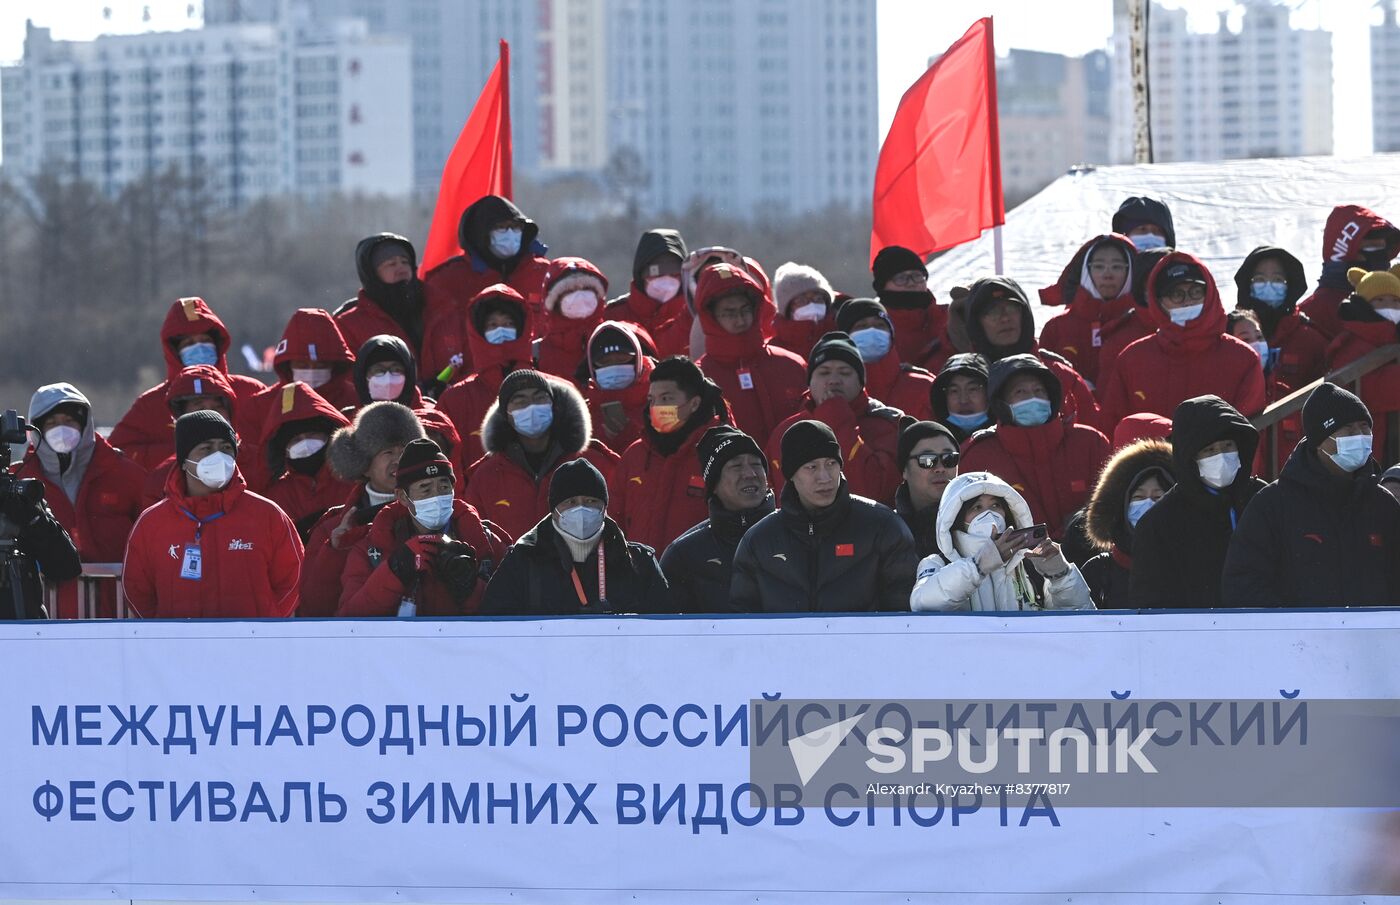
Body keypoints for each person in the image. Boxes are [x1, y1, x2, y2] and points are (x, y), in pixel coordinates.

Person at [1223, 383, 1400, 606]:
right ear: (1320, 441)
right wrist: (1293, 626)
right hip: (1298, 639)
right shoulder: (1273, 504)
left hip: (1371, 640)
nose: (1360, 436)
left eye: (1365, 427)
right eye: (1349, 430)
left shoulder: (1383, 504)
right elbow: (1243, 582)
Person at [122, 410, 303, 618]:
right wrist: (164, 633)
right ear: (183, 460)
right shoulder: (152, 523)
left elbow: (293, 578)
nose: (218, 456)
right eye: (206, 448)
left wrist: (265, 624)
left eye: (226, 448)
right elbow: (137, 590)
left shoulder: (267, 515)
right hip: (178, 647)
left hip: (251, 646)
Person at [730, 420, 917, 612]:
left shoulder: (883, 527)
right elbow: (743, 627)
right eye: (811, 467)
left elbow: (904, 617)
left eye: (831, 464)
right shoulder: (759, 541)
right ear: (791, 474)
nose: (825, 477)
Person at [336, 439, 506, 616]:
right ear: (402, 496)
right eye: (425, 489)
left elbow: (515, 614)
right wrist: (394, 571)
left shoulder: (486, 540)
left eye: (444, 486)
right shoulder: (371, 549)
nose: (437, 496)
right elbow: (350, 620)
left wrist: (472, 589)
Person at [1101, 254, 1266, 434]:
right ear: (1158, 301)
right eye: (1176, 294)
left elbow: (1248, 433)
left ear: (1209, 293)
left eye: (1196, 292)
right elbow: (1114, 428)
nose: (1188, 301)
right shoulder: (1133, 360)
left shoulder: (1242, 358)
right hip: (1153, 461)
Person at [481, 459, 670, 615]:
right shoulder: (523, 561)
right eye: (571, 502)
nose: (581, 509)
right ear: (554, 511)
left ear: (604, 508)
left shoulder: (638, 562)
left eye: (591, 501)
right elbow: (496, 629)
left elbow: (666, 630)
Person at [1129, 395, 1264, 609]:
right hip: (1194, 638)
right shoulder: (1159, 524)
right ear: (1190, 457)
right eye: (1209, 450)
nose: (1220, 456)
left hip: (1269, 633)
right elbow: (1151, 605)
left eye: (1228, 446)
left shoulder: (1263, 502)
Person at [961, 354, 1110, 539]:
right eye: (1020, 392)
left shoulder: (1090, 443)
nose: (1032, 398)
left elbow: (1111, 506)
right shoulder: (978, 455)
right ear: (1001, 403)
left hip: (1089, 555)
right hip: (1016, 562)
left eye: (1039, 391)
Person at [297, 402, 424, 617]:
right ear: (364, 464)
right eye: (388, 452)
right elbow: (313, 606)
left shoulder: (432, 519)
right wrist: (336, 550)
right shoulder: (331, 529)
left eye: (406, 451)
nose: (398, 460)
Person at [110, 296, 266, 470]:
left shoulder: (251, 391)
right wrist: (185, 450)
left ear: (218, 344)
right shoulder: (152, 403)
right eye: (189, 343)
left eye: (205, 341)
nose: (199, 347)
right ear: (174, 352)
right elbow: (117, 453)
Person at [12, 385, 128, 618]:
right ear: (37, 428)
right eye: (52, 423)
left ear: (85, 424)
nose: (61, 429)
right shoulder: (17, 482)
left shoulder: (124, 474)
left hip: (117, 616)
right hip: (42, 620)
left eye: (69, 421)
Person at [464, 370, 620, 541]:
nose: (531, 406)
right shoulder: (485, 476)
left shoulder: (594, 461)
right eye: (520, 401)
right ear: (505, 414)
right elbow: (476, 538)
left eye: (540, 398)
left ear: (553, 405)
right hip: (513, 567)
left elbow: (620, 519)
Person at [910, 471, 1094, 612]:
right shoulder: (937, 563)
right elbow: (922, 603)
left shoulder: (1028, 565)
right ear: (956, 518)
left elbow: (1078, 619)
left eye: (995, 505)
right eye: (977, 507)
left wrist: (1060, 575)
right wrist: (979, 566)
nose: (988, 514)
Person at [765, 332, 905, 505]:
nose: (833, 380)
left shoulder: (887, 425)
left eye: (844, 373)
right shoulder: (785, 431)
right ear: (809, 382)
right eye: (824, 372)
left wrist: (835, 414)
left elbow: (873, 492)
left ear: (861, 382)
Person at [611, 356, 732, 553]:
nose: (656, 407)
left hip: (702, 579)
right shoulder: (634, 456)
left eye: (666, 399)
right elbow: (614, 523)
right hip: (643, 578)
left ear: (694, 403)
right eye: (652, 400)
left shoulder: (721, 451)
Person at [660, 426, 775, 613]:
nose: (750, 474)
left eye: (756, 464)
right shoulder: (684, 556)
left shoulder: (796, 535)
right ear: (714, 484)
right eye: (736, 466)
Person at [965, 276, 1103, 430]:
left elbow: (1092, 436)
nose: (1004, 318)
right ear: (977, 323)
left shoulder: (1061, 375)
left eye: (1012, 308)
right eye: (992, 311)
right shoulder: (964, 381)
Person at [694, 262, 807, 444]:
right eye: (729, 313)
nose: (740, 320)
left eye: (745, 310)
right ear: (711, 316)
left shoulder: (792, 365)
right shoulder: (699, 379)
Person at [421, 195, 551, 343]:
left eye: (516, 227)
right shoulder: (448, 280)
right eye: (501, 227)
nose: (510, 234)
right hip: (472, 365)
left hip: (535, 364)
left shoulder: (544, 272)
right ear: (481, 233)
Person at [437, 283, 536, 466]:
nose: (501, 330)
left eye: (508, 323)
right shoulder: (455, 401)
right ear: (478, 332)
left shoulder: (550, 389)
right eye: (492, 325)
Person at [1038, 233, 1152, 390]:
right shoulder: (1057, 327)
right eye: (1099, 266)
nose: (1107, 274)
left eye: (1117, 266)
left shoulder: (1145, 325)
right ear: (1086, 270)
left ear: (1130, 271)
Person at [139, 366, 263, 505]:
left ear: (230, 412)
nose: (210, 415)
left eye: (217, 408)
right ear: (181, 417)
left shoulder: (260, 464)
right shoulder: (161, 479)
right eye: (200, 409)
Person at [1080, 438, 1175, 608]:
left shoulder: (1192, 568)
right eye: (1138, 497)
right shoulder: (1099, 571)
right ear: (1122, 504)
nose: (1148, 504)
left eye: (1158, 497)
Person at [259, 382, 353, 540]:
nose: (305, 443)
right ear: (283, 449)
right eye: (295, 440)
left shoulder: (353, 478)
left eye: (312, 434)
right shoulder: (277, 496)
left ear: (330, 435)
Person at [1325, 265, 1400, 461]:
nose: (1389, 307)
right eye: (1380, 300)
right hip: (1368, 443)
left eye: (1395, 301)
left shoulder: (1392, 339)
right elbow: (1365, 389)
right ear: (1364, 304)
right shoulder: (1353, 341)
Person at [1232, 246, 1329, 388]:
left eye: (1277, 279)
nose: (1269, 286)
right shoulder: (1231, 333)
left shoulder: (1310, 340)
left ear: (1290, 286)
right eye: (1259, 279)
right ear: (1248, 284)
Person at [1298, 205, 1400, 340]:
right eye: (1370, 247)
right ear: (1346, 252)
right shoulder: (1314, 311)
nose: (1379, 255)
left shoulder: (1395, 298)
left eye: (1381, 247)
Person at [836, 298, 937, 420]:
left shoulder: (924, 386)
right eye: (862, 326)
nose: (872, 331)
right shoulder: (835, 391)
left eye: (880, 325)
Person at [252, 307, 358, 417]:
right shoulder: (262, 405)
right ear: (288, 365)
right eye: (302, 365)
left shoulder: (356, 401)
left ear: (335, 365)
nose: (311, 372)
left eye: (320, 365)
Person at [605, 228, 693, 359]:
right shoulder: (614, 316)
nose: (665, 282)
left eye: (674, 274)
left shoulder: (694, 315)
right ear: (641, 275)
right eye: (656, 274)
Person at [580, 321, 658, 455]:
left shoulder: (660, 404)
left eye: (622, 358)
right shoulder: (583, 416)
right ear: (592, 368)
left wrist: (632, 436)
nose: (614, 367)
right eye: (604, 361)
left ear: (638, 361)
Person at [871, 245, 950, 369]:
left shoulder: (950, 318)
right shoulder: (874, 328)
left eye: (917, 276)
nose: (911, 282)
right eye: (901, 278)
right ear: (883, 286)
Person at [893, 421, 960, 559]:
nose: (940, 468)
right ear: (904, 469)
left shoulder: (976, 523)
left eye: (949, 458)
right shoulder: (887, 530)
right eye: (927, 460)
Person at [537, 256, 608, 381]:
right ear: (555, 302)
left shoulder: (614, 337)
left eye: (586, 288)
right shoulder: (537, 353)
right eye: (570, 290)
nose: (580, 295)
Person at [770, 262, 836, 359]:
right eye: (802, 301)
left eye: (818, 299)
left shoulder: (841, 340)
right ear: (787, 309)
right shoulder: (774, 351)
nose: (812, 305)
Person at [350, 334, 427, 410]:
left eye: (396, 370)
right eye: (378, 370)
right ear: (363, 376)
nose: (388, 378)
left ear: (409, 375)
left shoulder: (430, 418)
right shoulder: (348, 420)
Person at [930, 353, 992, 444]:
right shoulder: (931, 444)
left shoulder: (1007, 441)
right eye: (954, 391)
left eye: (972, 389)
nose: (963, 400)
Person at [1111, 196, 1177, 252]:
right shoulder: (1107, 266)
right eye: (1143, 229)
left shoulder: (1181, 266)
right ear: (1125, 235)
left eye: (1158, 231)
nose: (1151, 235)